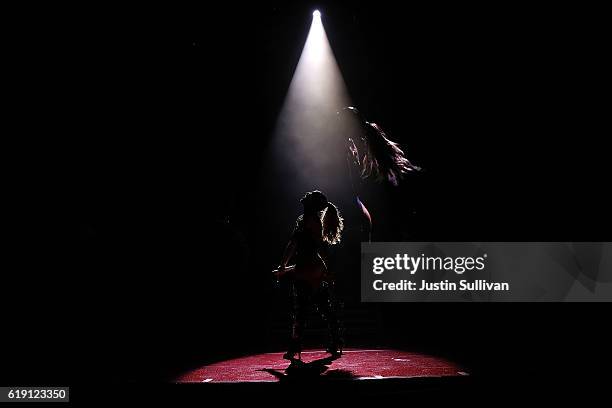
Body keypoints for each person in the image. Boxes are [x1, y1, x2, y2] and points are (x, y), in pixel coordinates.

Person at [274, 190, 344, 360]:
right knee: (323, 308)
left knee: (302, 311)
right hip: (310, 269)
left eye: (311, 194)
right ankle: (335, 341)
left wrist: (283, 265)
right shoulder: (306, 220)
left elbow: (295, 245)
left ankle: (296, 347)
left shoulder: (309, 221)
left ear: (311, 204)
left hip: (308, 271)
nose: (307, 194)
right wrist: (325, 271)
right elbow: (305, 248)